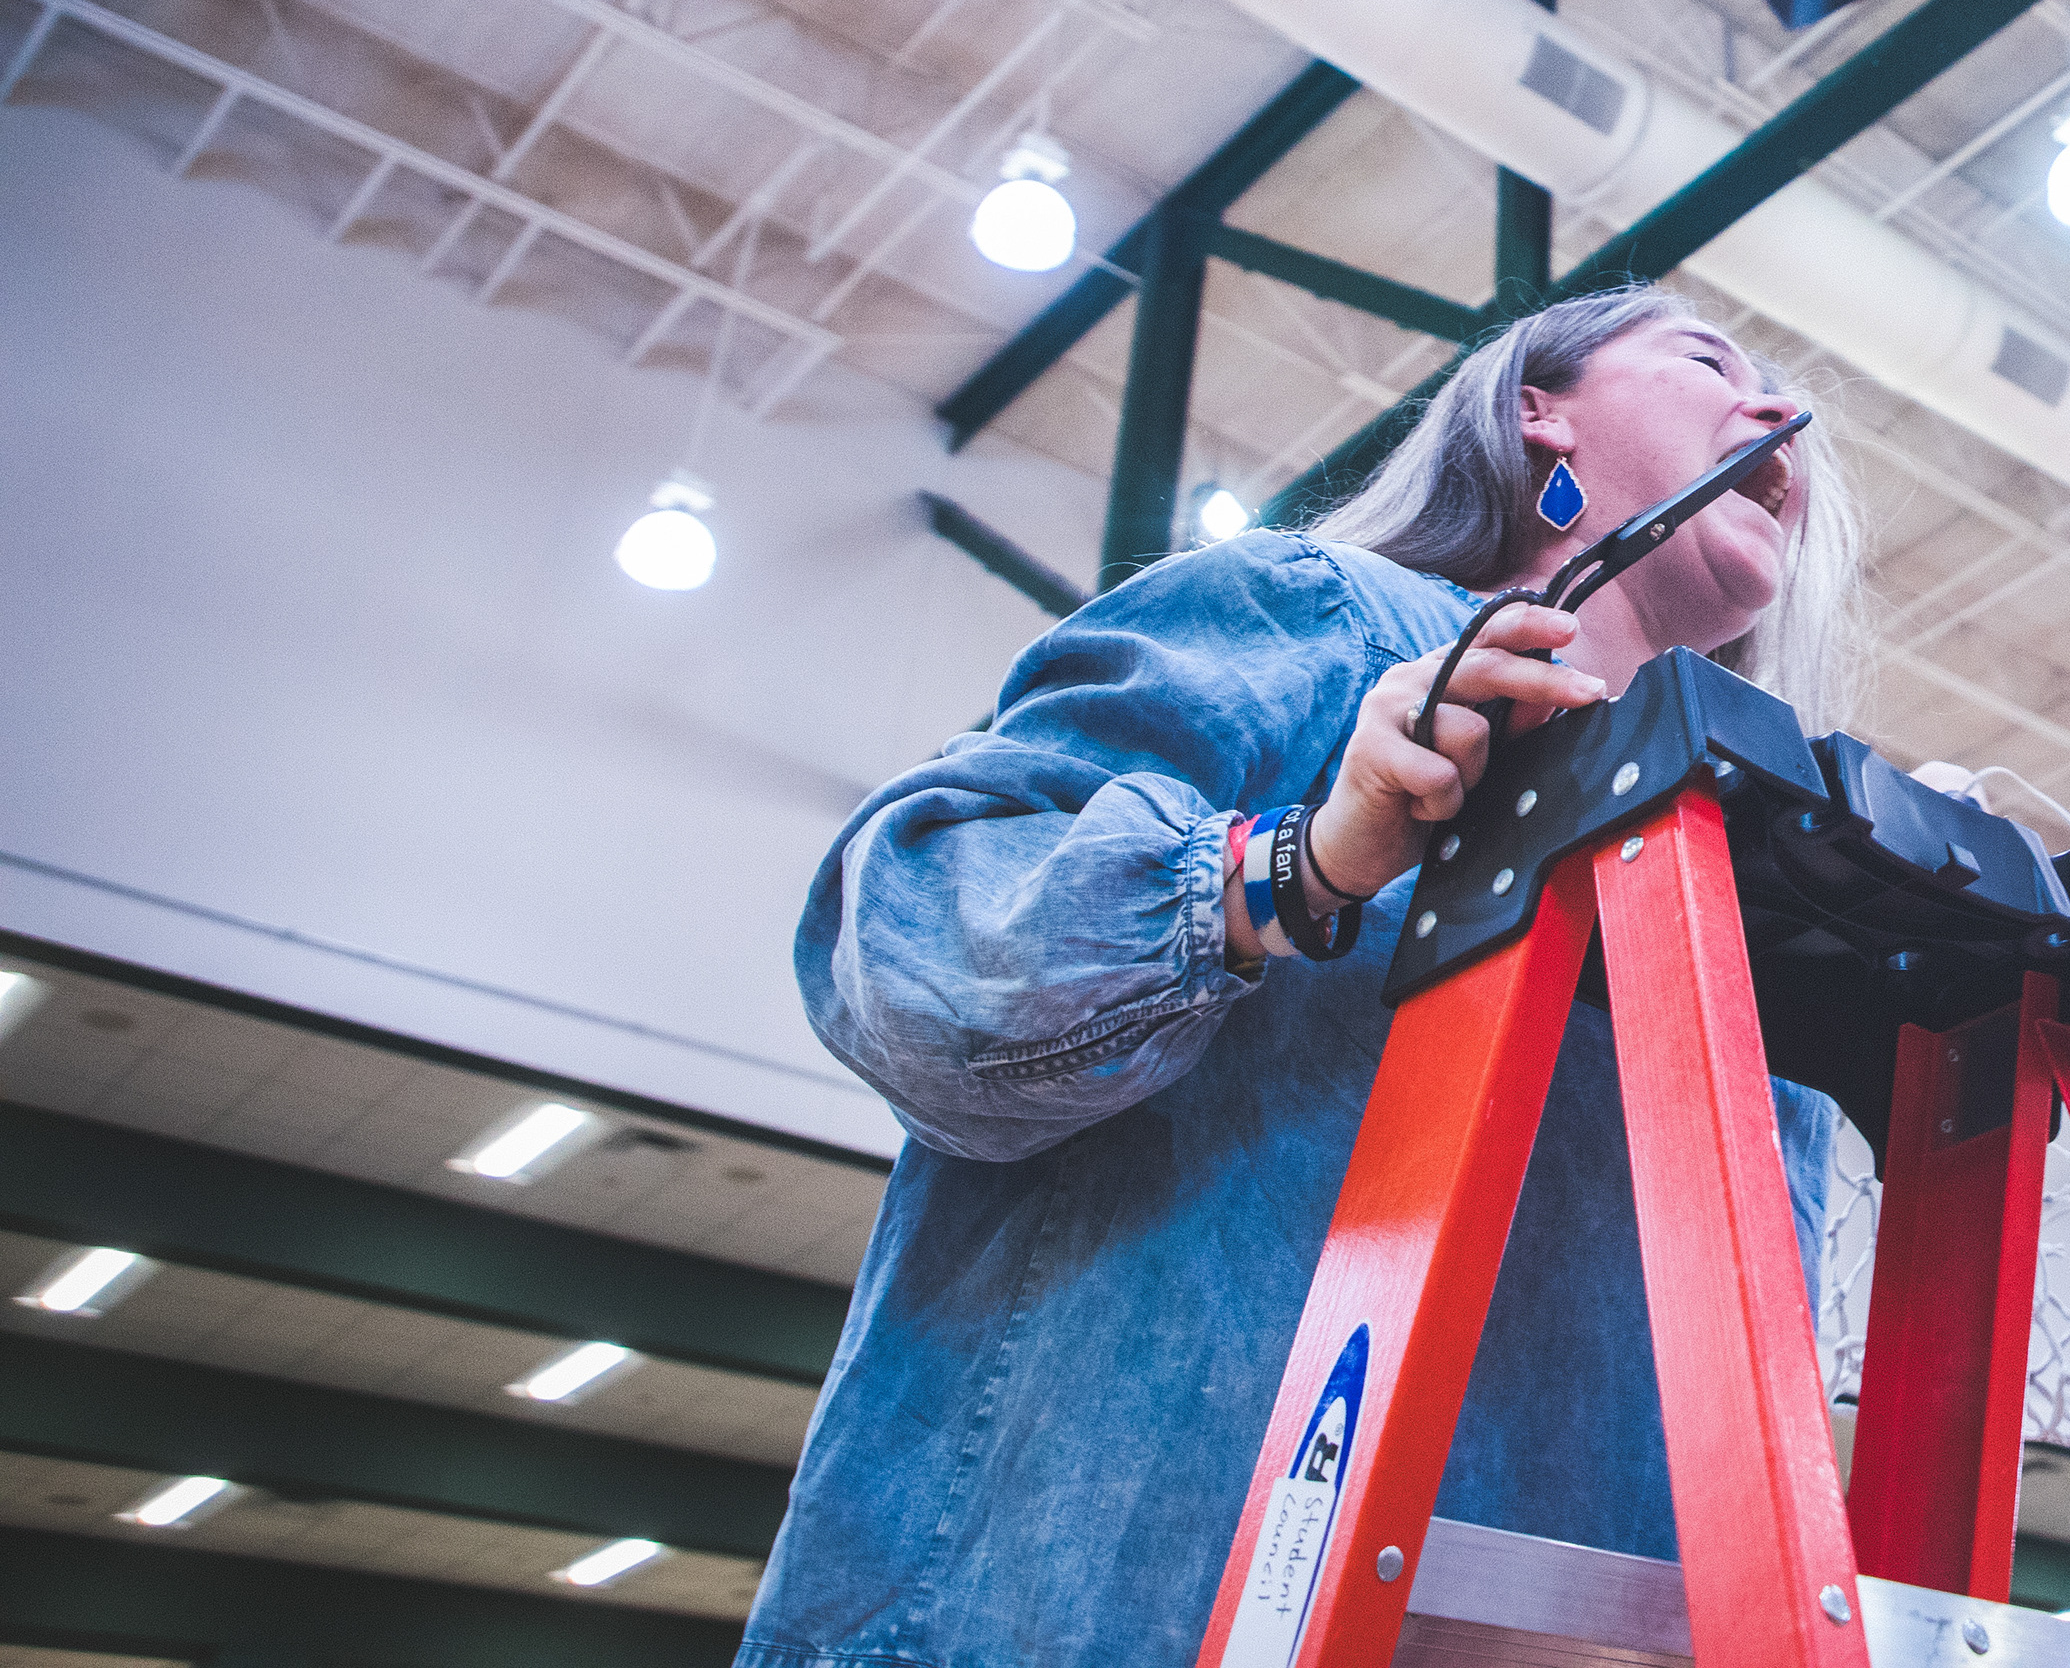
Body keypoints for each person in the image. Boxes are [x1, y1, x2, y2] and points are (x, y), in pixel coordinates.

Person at [738, 287, 1867, 1668]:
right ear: (1538, 412)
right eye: (1705, 359)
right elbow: (912, 942)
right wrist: (1301, 863)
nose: (1775, 409)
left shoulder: (1749, 873)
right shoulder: (1319, 616)